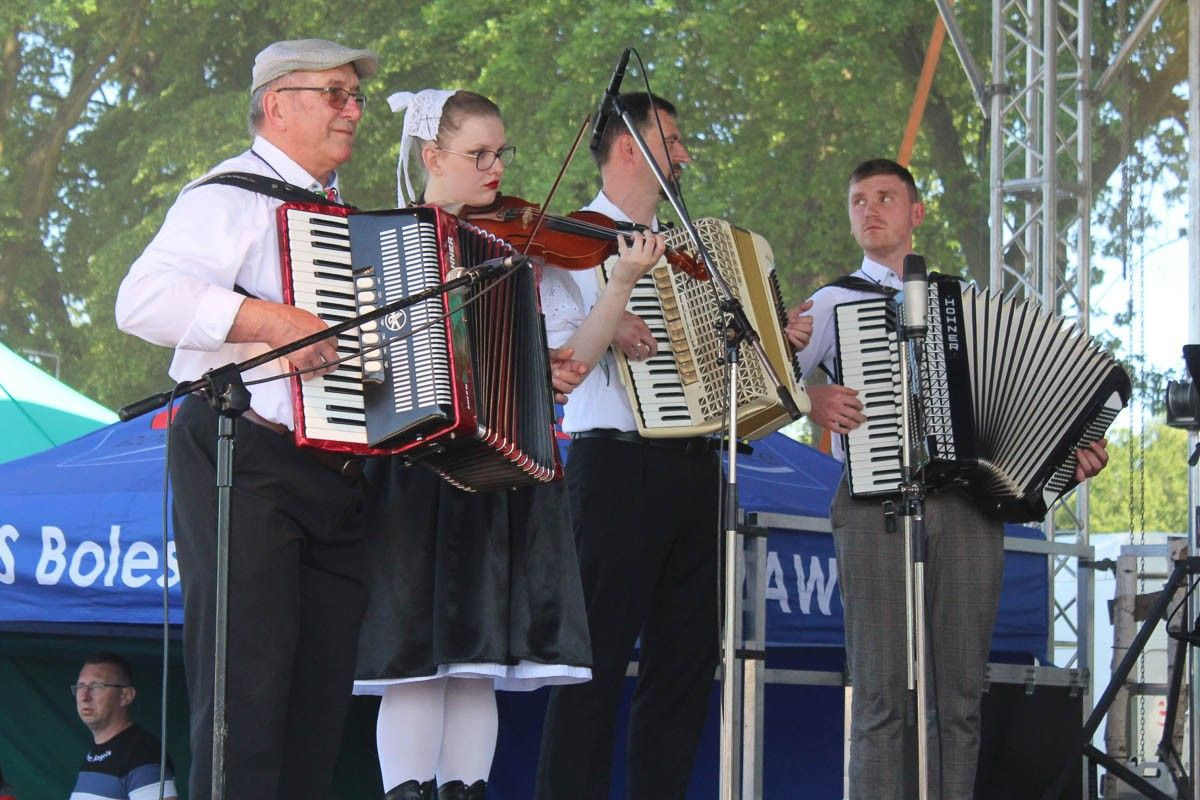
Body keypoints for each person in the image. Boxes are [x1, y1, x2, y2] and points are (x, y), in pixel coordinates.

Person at [788, 157, 1109, 799]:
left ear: (916, 213)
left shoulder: (962, 304)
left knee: (958, 698)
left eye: (885, 197)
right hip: (872, 506)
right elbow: (760, 384)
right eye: (858, 200)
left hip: (967, 512)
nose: (870, 210)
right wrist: (810, 401)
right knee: (881, 693)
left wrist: (1065, 463)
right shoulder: (831, 303)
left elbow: (1019, 425)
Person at [115, 38, 378, 798]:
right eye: (334, 93)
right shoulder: (226, 196)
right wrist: (269, 322)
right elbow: (142, 301)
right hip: (244, 458)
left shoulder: (337, 213)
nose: (352, 109)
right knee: (247, 701)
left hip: (331, 474)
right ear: (277, 105)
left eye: (355, 96)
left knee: (316, 709)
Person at [351, 89, 629, 800]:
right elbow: (367, 366)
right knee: (419, 656)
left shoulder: (518, 252)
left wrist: (619, 281)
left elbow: (567, 369)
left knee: (477, 660)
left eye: (500, 152)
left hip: (502, 466)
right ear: (431, 156)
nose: (495, 167)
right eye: (478, 154)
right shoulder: (381, 238)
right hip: (413, 467)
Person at [533, 91, 805, 800]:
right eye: (672, 139)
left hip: (699, 467)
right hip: (613, 466)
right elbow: (559, 356)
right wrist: (613, 309)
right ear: (629, 147)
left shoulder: (694, 255)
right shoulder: (568, 239)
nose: (684, 154)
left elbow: (718, 369)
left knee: (685, 667)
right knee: (592, 664)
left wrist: (775, 340)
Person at [68, 652, 177, 800]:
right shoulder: (97, 753)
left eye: (97, 686)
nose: (85, 696)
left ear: (126, 696)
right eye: (81, 686)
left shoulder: (142, 754)